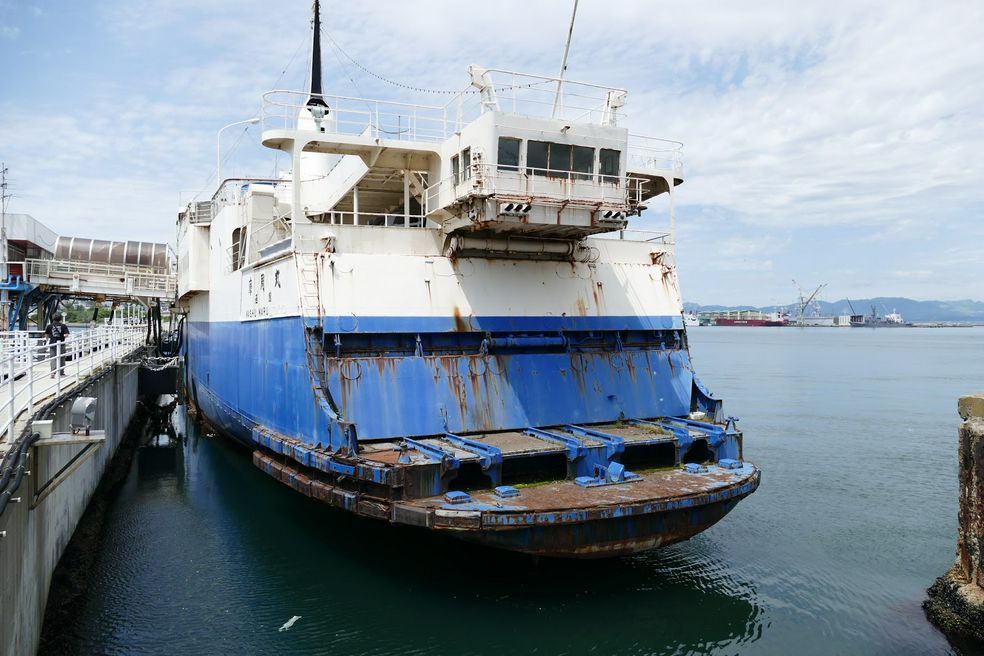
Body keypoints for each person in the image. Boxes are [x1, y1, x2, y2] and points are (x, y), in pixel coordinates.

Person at [44, 313, 70, 378]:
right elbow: (66, 334)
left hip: (52, 344)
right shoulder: (63, 325)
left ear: (53, 318)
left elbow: (46, 334)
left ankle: (53, 372)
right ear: (60, 318)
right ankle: (61, 372)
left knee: (53, 358)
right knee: (62, 357)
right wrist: (63, 337)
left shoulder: (49, 326)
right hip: (61, 344)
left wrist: (47, 340)